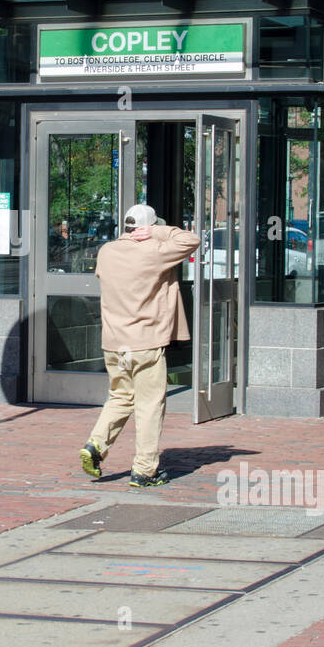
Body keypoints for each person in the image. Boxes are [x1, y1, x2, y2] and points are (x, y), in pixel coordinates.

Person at [79, 204, 200, 487]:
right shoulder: (153, 253)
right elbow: (190, 240)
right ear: (146, 228)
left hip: (114, 343)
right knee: (149, 405)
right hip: (145, 342)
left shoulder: (107, 252)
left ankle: (96, 445)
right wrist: (157, 231)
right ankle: (145, 470)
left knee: (120, 397)